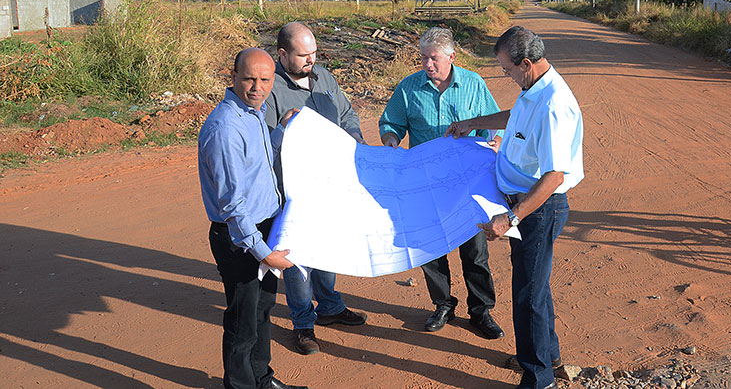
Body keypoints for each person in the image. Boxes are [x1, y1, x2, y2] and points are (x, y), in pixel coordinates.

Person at [446, 26, 583, 389]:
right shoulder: (533, 89)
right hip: (527, 204)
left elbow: (554, 175)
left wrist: (511, 217)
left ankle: (539, 377)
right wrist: (471, 125)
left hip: (539, 207)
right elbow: (515, 118)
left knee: (527, 293)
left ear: (526, 63)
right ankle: (545, 354)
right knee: (535, 285)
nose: (506, 75)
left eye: (507, 69)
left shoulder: (554, 105)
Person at [379, 26, 505, 340]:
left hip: (467, 185)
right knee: (431, 249)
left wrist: (496, 141)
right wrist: (391, 142)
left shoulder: (474, 84)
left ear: (451, 56)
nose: (427, 64)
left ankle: (481, 312)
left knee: (474, 250)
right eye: (423, 57)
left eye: (434, 58)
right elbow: (390, 122)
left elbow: (493, 123)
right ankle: (443, 305)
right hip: (425, 183)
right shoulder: (409, 88)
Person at [198, 47, 308, 389]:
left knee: (261, 312)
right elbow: (233, 205)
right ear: (233, 78)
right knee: (243, 320)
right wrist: (263, 252)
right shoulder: (225, 128)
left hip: (262, 231)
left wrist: (281, 132)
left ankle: (262, 379)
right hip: (241, 239)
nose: (257, 87)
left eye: (264, 79)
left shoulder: (254, 114)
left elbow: (259, 161)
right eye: (249, 79)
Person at [263, 22, 368, 356]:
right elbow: (262, 141)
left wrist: (354, 139)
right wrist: (283, 128)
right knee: (298, 256)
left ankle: (331, 306)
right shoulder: (269, 87)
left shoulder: (324, 76)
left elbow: (348, 114)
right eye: (303, 55)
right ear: (282, 54)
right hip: (293, 189)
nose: (311, 60)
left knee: (327, 246)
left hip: (331, 182)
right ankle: (303, 323)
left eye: (313, 53)